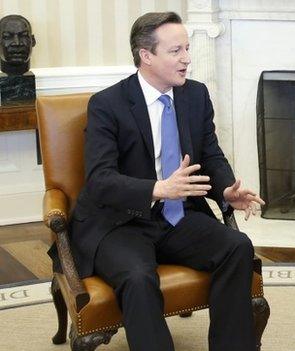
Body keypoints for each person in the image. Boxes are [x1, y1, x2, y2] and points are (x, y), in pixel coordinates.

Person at [69, 12, 262, 351]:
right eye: (176, 51)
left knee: (237, 247)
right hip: (119, 222)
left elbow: (210, 154)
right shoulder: (107, 104)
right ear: (146, 56)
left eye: (186, 48)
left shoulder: (195, 96)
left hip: (176, 216)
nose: (187, 58)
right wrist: (158, 189)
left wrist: (226, 190)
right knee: (138, 277)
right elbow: (100, 181)